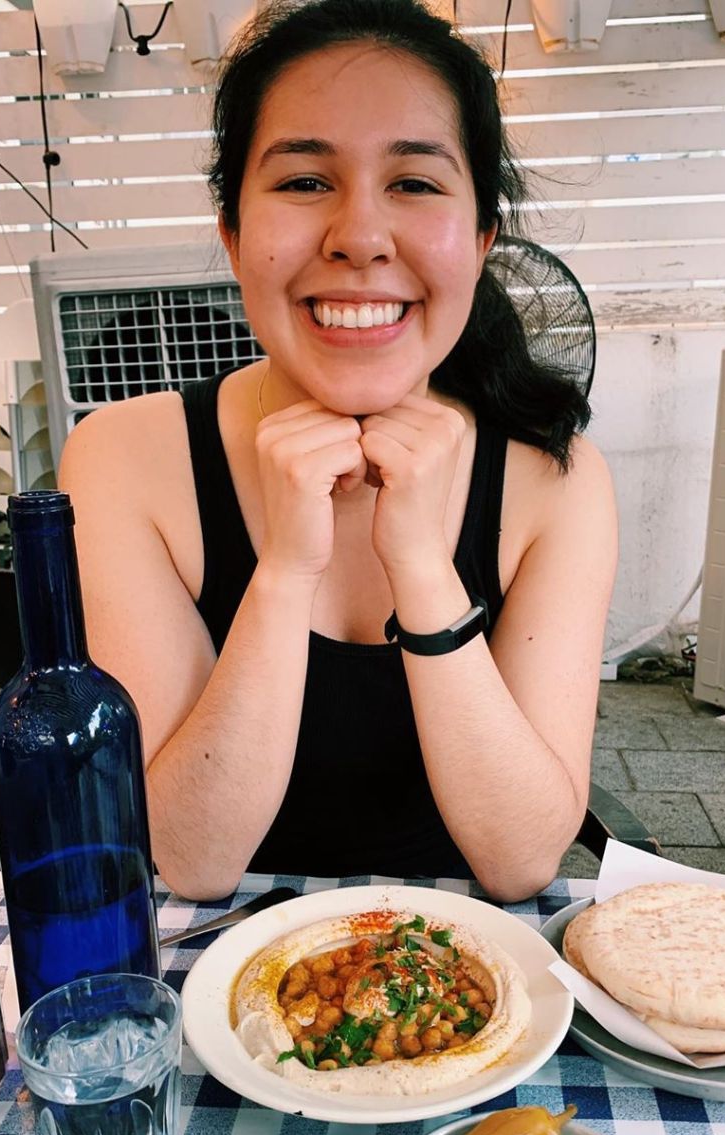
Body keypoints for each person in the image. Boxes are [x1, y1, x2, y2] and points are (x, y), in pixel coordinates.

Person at [59, 0, 617, 903]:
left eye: (416, 183)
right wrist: (285, 568)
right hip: (223, 987)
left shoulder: (557, 479)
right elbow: (192, 859)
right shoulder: (121, 458)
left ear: (479, 243)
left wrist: (424, 569)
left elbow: (521, 861)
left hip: (466, 987)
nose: (359, 236)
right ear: (233, 232)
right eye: (305, 181)